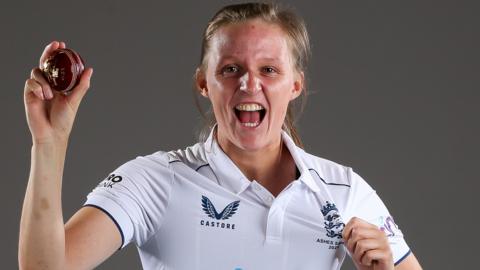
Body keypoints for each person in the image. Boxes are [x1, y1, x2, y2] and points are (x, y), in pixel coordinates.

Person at [19, 2, 423, 270]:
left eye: (269, 70)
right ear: (203, 83)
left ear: (295, 85)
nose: (249, 85)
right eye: (230, 69)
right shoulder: (154, 180)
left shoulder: (345, 190)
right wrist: (48, 145)